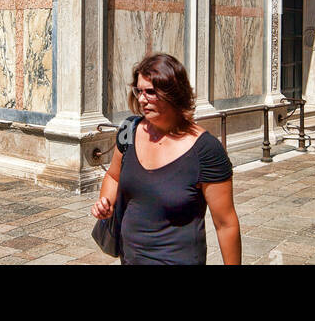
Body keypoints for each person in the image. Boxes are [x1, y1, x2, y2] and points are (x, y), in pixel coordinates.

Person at [91, 52, 241, 265]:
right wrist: (106, 202)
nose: (142, 99)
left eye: (150, 92)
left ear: (174, 94)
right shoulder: (128, 130)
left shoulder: (206, 150)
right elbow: (113, 177)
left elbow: (226, 224)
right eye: (139, 91)